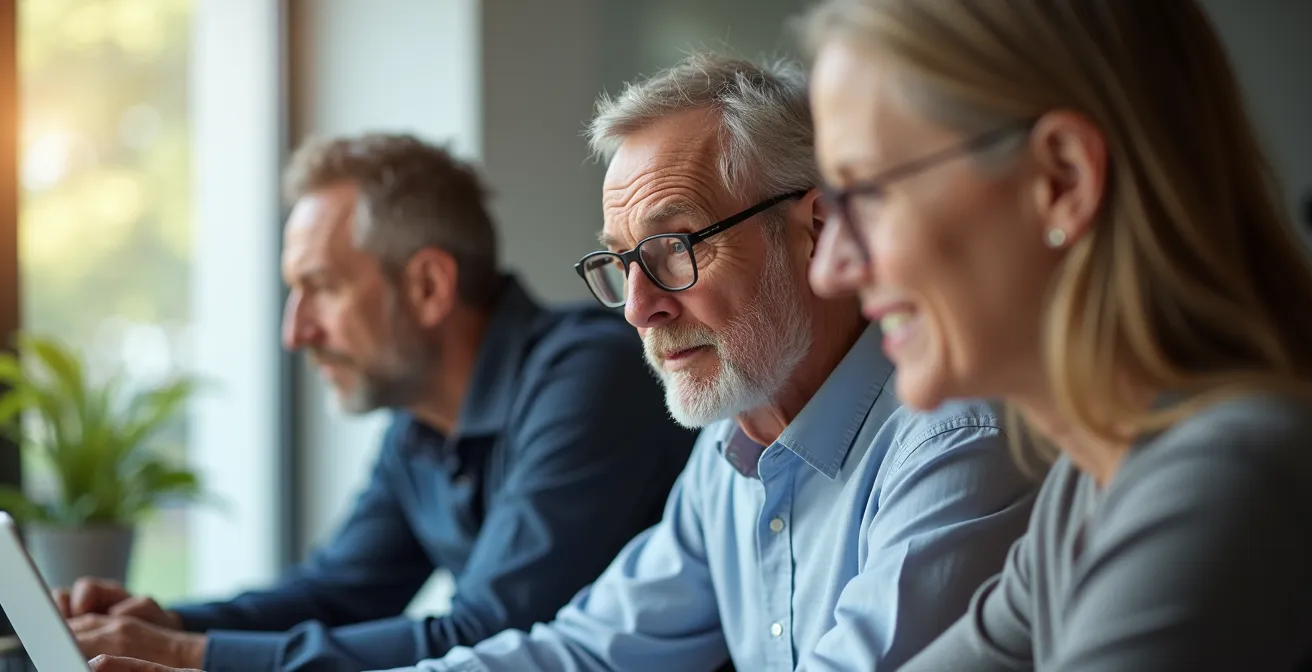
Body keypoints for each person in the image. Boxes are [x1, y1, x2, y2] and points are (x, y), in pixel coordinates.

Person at [58, 133, 700, 672]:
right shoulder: (420, 423)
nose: (295, 332)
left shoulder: (591, 376)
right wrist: (159, 623)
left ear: (428, 287)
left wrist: (188, 655)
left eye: (320, 287)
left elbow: (487, 635)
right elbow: (340, 591)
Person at [802, 1, 1312, 670]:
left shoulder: (1222, 485)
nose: (829, 270)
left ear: (1063, 178)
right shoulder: (1087, 487)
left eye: (867, 194)